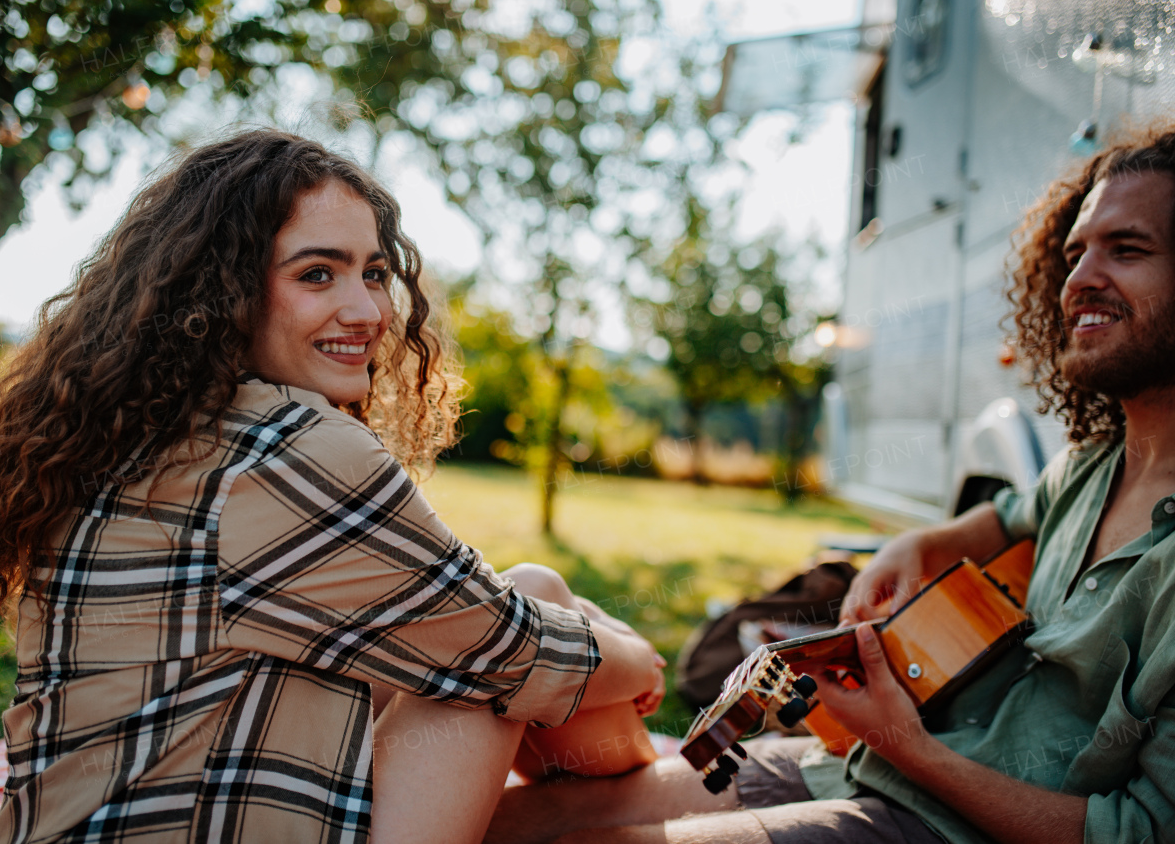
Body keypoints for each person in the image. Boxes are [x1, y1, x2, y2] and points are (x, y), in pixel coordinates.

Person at [0, 129, 664, 844]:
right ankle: (666, 792)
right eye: (317, 273)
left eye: (374, 272)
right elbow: (513, 650)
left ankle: (640, 792)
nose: (369, 311)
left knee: (482, 631)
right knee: (520, 620)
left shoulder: (133, 431)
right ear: (222, 291)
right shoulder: (286, 445)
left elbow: (437, 624)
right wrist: (638, 657)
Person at [485, 126, 1175, 844]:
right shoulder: (1089, 466)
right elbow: (1002, 517)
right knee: (523, 815)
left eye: (1126, 249)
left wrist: (909, 744)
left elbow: (1135, 833)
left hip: (947, 816)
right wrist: (914, 544)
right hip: (872, 766)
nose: (1080, 278)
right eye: (1075, 253)